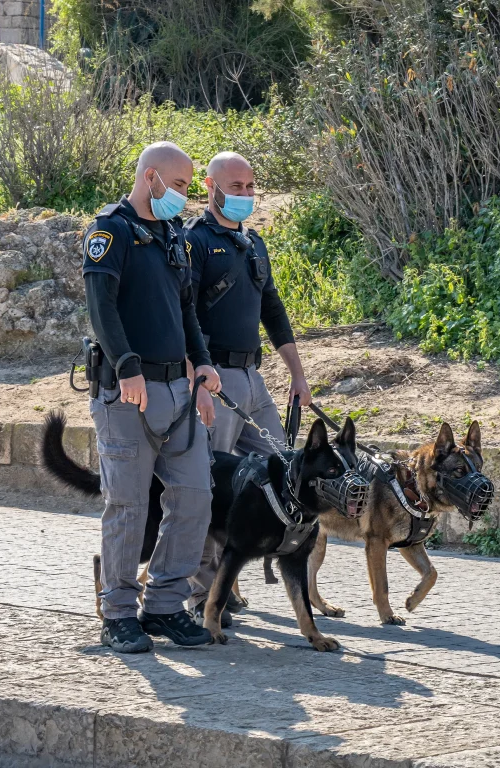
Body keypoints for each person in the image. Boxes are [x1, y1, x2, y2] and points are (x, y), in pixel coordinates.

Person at [82, 141, 222, 653]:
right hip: (128, 392)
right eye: (181, 185)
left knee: (195, 496)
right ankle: (118, 612)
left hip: (177, 390)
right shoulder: (110, 229)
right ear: (150, 179)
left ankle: (164, 604)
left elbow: (186, 310)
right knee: (128, 504)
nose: (186, 196)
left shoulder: (172, 236)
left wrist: (202, 362)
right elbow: (102, 306)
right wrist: (126, 367)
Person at [183, 151, 311, 613]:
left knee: (284, 469)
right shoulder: (195, 242)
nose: (244, 194)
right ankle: (205, 594)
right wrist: (197, 376)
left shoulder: (254, 244)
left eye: (250, 186)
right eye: (235, 186)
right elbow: (186, 313)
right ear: (211, 189)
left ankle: (277, 569)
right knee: (207, 484)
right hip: (214, 378)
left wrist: (297, 376)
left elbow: (273, 312)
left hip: (254, 381)